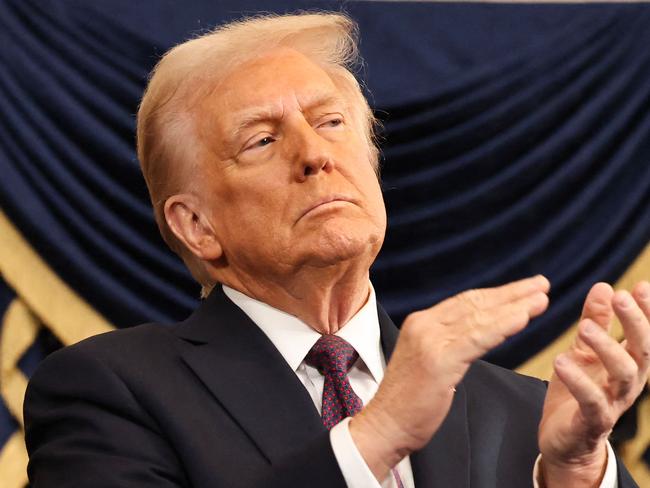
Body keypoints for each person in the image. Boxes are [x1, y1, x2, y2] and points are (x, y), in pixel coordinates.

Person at [24, 12, 648, 488]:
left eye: (330, 123)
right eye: (262, 140)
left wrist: (574, 472)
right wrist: (375, 436)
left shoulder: (527, 416)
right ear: (196, 226)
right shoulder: (109, 391)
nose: (315, 155)